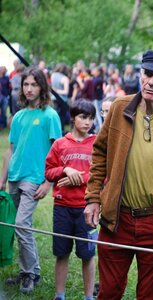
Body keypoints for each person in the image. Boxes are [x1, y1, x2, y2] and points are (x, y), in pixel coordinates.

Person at [84, 50, 153, 300]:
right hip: (117, 217)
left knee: (150, 294)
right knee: (109, 291)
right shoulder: (120, 108)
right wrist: (92, 198)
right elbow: (100, 152)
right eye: (147, 74)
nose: (151, 81)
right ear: (140, 74)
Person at [0, 66, 62, 293]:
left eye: (33, 84)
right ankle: (29, 270)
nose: (28, 88)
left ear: (42, 87)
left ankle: (29, 274)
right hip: (15, 177)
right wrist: (2, 179)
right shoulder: (18, 116)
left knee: (21, 225)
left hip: (35, 178)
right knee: (20, 227)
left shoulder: (50, 115)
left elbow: (58, 152)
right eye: (25, 84)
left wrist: (48, 182)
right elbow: (10, 150)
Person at [44, 100, 97, 300]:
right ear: (72, 118)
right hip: (62, 207)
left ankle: (89, 296)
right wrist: (65, 169)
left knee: (88, 254)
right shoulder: (60, 144)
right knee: (61, 253)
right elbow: (48, 172)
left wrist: (80, 176)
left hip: (87, 208)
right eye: (83, 117)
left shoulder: (97, 143)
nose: (87, 122)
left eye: (91, 118)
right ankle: (60, 295)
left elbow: (104, 174)